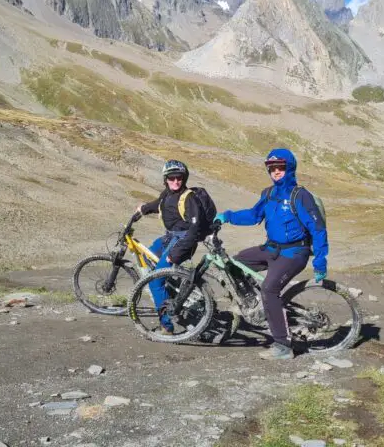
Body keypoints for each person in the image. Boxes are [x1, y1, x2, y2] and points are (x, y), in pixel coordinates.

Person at [214, 148, 328, 359]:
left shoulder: (300, 196)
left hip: (294, 253)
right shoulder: (268, 194)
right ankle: (253, 304)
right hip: (271, 249)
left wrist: (320, 261)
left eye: (280, 167)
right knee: (233, 263)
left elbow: (318, 229)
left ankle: (283, 346)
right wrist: (226, 216)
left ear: (289, 168)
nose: (276, 172)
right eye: (272, 168)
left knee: (269, 290)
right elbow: (254, 215)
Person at [136, 159, 203, 335]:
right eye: (171, 178)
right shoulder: (167, 194)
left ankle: (167, 326)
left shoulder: (189, 199)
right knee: (146, 254)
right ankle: (169, 285)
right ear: (165, 179)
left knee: (155, 281)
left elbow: (194, 230)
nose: (175, 181)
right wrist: (142, 209)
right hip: (170, 237)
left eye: (179, 178)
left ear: (184, 178)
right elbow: (158, 204)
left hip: (182, 241)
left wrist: (175, 254)